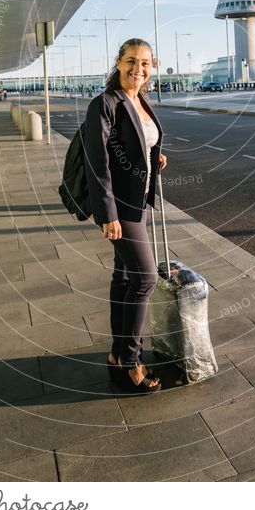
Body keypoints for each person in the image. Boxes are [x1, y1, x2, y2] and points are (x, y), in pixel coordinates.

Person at [84, 38, 167, 393]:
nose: (139, 69)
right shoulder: (105, 103)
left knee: (124, 279)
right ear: (118, 62)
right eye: (132, 61)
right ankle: (132, 361)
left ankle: (118, 356)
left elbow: (139, 144)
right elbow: (97, 162)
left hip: (138, 203)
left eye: (146, 63)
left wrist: (154, 161)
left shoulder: (140, 99)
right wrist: (107, 215)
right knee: (146, 279)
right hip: (121, 208)